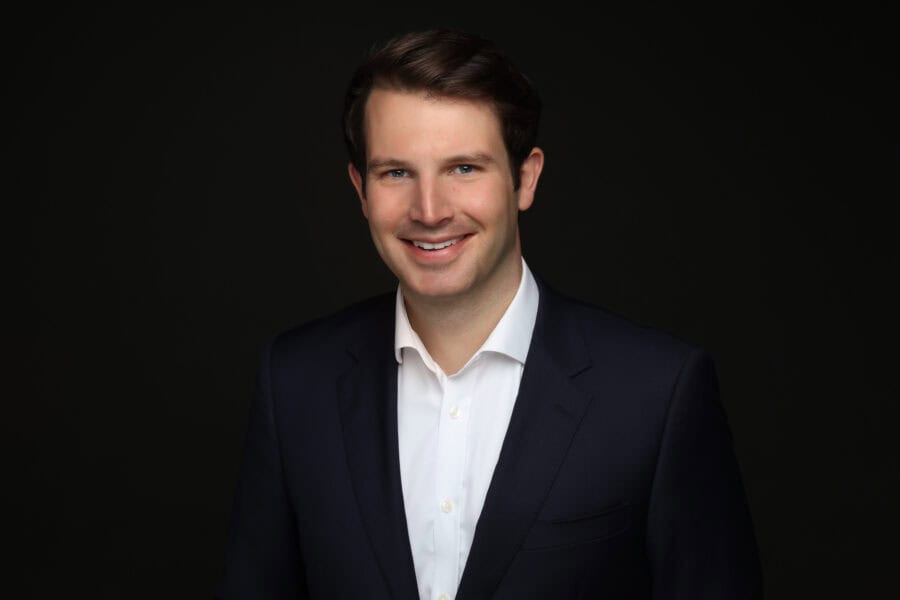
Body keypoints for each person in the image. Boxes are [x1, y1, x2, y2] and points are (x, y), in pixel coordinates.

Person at [216, 29, 762, 599]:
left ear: (525, 178)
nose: (430, 210)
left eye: (464, 169)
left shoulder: (658, 394)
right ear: (360, 189)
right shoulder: (295, 382)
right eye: (396, 173)